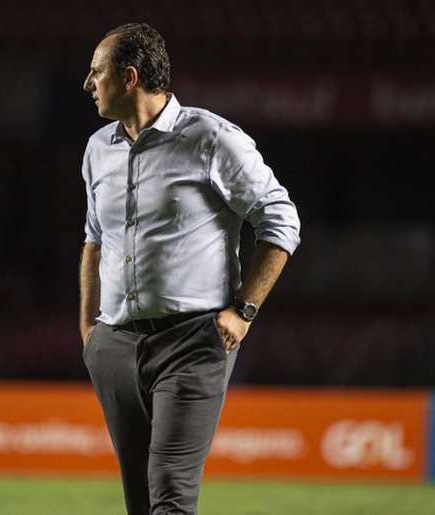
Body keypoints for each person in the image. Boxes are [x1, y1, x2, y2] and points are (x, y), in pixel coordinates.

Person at [79, 22, 301, 515]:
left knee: (171, 494)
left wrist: (244, 310)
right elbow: (94, 239)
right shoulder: (98, 149)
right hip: (114, 345)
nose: (88, 84)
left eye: (96, 73)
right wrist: (89, 329)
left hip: (192, 343)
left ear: (129, 77)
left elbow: (281, 220)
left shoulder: (212, 138)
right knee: (141, 501)